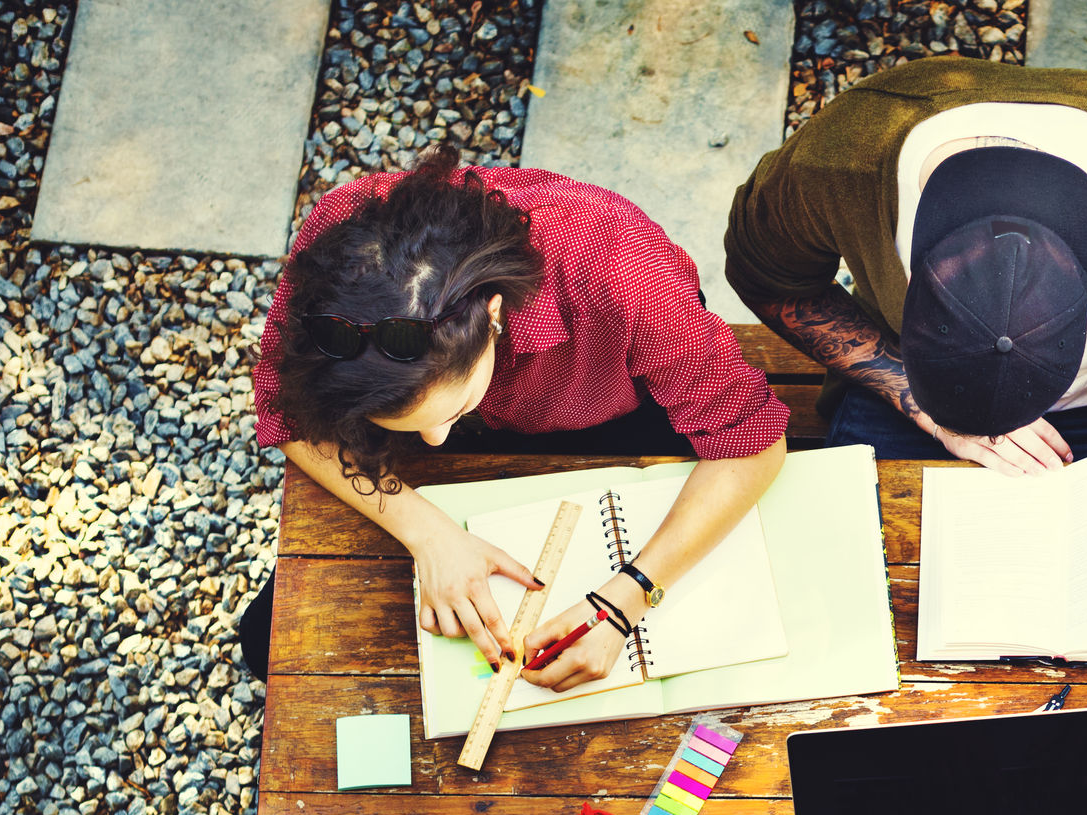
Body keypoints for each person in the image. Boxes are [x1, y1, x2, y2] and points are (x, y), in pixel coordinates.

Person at [723, 59, 1087, 594]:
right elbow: (768, 275)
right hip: (907, 389)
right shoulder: (840, 162)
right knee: (836, 589)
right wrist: (919, 402)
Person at [241, 147, 790, 685]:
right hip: (441, 450)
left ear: (495, 314)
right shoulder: (345, 243)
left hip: (607, 415)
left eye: (452, 408)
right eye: (416, 424)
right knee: (269, 642)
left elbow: (755, 444)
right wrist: (428, 532)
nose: (436, 443)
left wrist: (627, 600)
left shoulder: (629, 274)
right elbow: (286, 410)